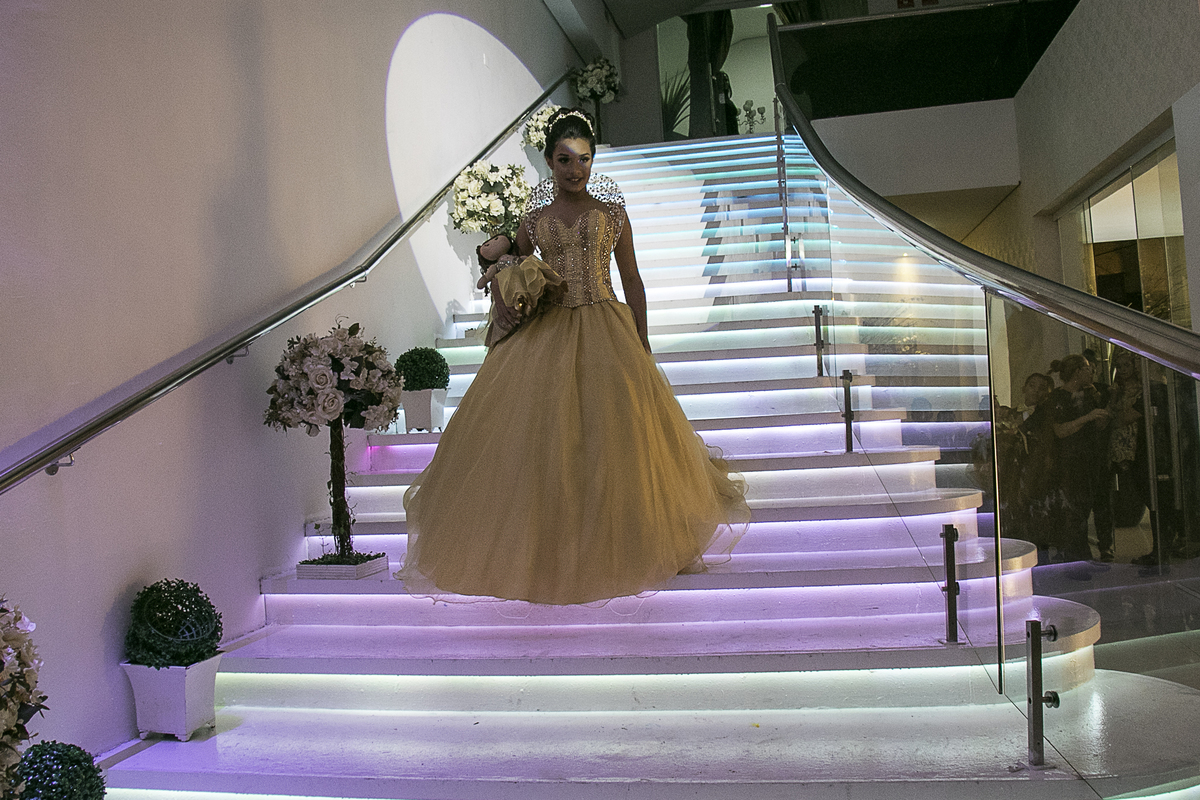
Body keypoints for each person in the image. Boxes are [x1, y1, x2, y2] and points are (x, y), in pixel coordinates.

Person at [397, 108, 749, 604]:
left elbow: (632, 279)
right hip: (547, 334)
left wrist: (642, 341)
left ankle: (632, 546)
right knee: (546, 445)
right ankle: (547, 554)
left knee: (615, 442)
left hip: (607, 326)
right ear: (549, 161)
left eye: (583, 159)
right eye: (564, 159)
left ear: (593, 161)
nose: (574, 169)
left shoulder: (612, 215)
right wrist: (497, 257)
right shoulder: (533, 221)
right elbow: (515, 271)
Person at [1046, 355, 1112, 562]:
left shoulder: (1090, 394)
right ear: (1077, 372)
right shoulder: (1058, 398)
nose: (1091, 372)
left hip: (1094, 459)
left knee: (1096, 505)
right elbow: (1060, 430)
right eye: (1087, 368)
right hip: (1071, 461)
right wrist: (1088, 417)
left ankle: (1102, 548)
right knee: (1075, 510)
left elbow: (1099, 426)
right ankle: (1077, 557)